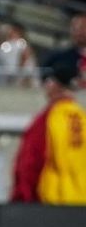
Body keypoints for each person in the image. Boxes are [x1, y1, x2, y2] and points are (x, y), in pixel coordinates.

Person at [11, 61, 86, 204]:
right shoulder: (83, 118)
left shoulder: (47, 119)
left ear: (54, 85)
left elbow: (30, 161)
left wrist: (22, 198)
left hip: (52, 202)